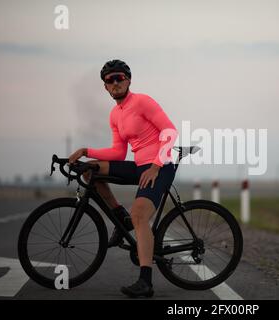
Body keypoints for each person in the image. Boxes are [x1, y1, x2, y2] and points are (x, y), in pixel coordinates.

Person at [68, 59, 178, 298]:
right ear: (105, 87)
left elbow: (170, 131)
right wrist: (87, 152)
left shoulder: (142, 102)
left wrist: (156, 166)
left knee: (139, 215)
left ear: (128, 80)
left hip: (161, 164)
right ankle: (120, 216)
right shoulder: (115, 115)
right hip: (139, 166)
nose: (115, 82)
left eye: (119, 78)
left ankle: (146, 281)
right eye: (110, 80)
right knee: (90, 170)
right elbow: (118, 152)